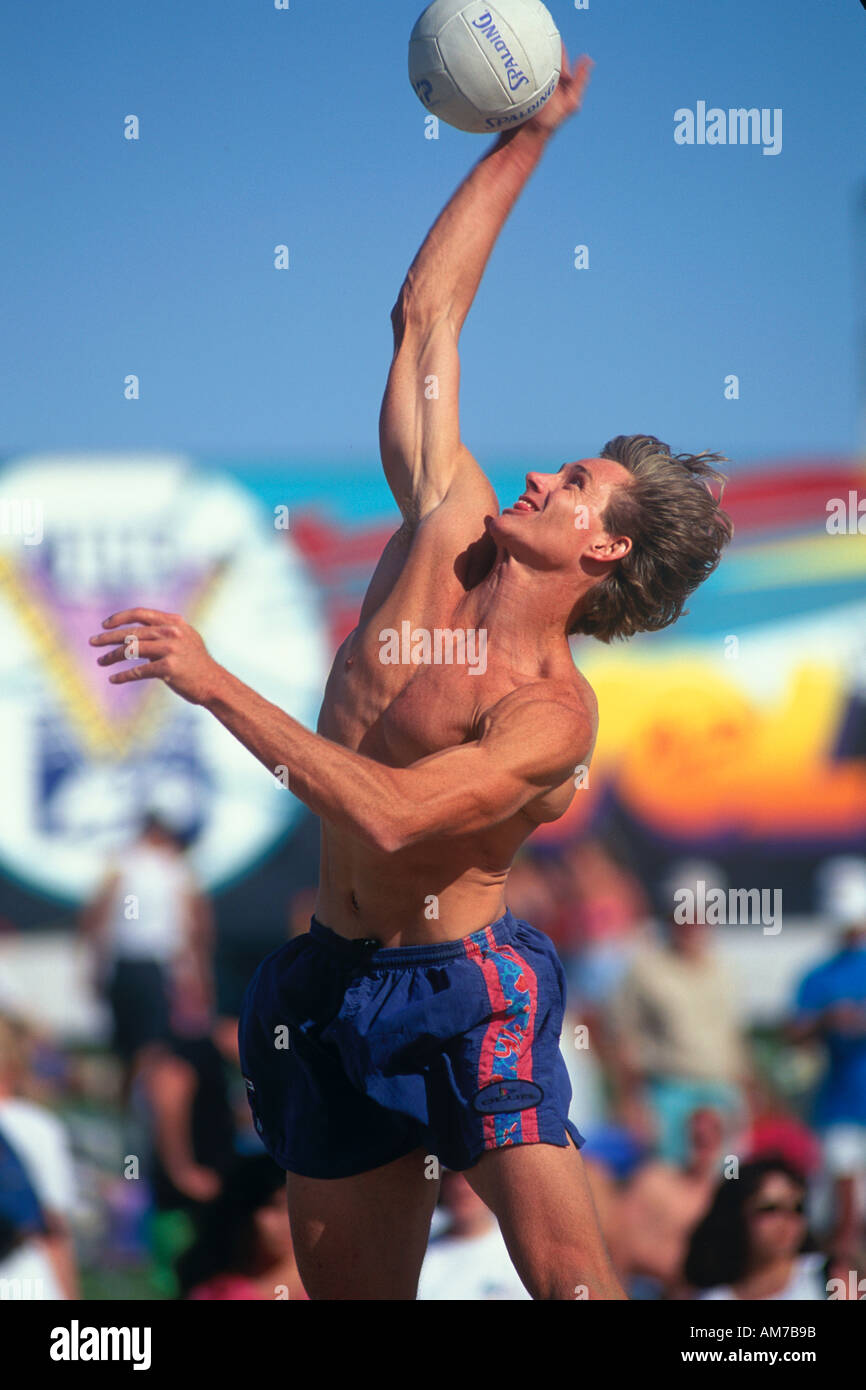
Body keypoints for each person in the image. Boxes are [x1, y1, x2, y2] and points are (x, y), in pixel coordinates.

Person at [89, 49, 732, 1301]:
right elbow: (426, 317)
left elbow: (383, 809)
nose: (542, 476)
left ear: (602, 551)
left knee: (571, 1287)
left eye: (575, 487)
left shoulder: (548, 713)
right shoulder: (444, 519)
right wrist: (528, 137)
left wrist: (212, 680)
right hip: (327, 978)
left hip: (463, 987)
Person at [609, 866, 749, 1164]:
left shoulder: (725, 970)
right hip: (669, 1098)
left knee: (726, 1186)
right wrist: (633, 1105)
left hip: (722, 1095)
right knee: (671, 1183)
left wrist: (746, 1097)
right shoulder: (645, 969)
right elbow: (622, 1039)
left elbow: (734, 1040)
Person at [79, 812, 214, 1101]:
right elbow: (197, 926)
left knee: (126, 1051)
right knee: (154, 1049)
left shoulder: (120, 864)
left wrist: (94, 967)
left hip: (123, 966)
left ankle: (130, 1114)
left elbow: (95, 918)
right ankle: (150, 1119)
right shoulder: (176, 868)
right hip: (157, 968)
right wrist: (201, 976)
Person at [787, 857, 866, 1263]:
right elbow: (794, 1034)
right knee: (842, 1213)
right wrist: (826, 1020)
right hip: (840, 1108)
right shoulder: (817, 976)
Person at [684, 1157, 827, 1301]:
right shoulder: (712, 1296)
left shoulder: (827, 1277)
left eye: (797, 1208)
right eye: (769, 1209)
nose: (785, 1220)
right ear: (737, 1216)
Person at [177, 1155, 307, 1301]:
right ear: (244, 1213)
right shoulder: (216, 1291)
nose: (287, 1220)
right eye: (275, 1206)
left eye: (295, 1208)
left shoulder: (329, 1279)